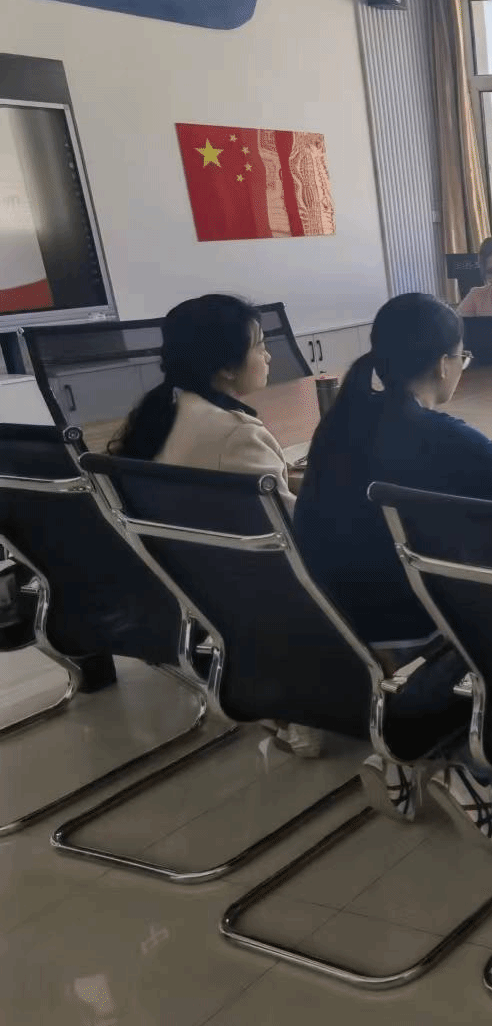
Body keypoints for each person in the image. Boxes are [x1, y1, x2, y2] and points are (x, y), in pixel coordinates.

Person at [298, 293, 492, 851]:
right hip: (409, 621)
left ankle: (402, 752)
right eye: (463, 357)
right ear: (443, 363)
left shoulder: (338, 422)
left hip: (332, 618)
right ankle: (469, 767)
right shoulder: (436, 432)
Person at [109, 293, 312, 748]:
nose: (268, 356)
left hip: (181, 581)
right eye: (260, 346)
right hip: (250, 589)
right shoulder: (235, 432)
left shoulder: (160, 410)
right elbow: (295, 532)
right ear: (226, 368)